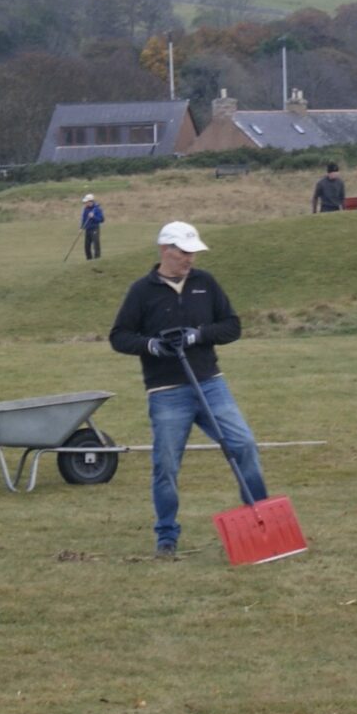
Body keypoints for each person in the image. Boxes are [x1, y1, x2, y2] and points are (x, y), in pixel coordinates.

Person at [107, 221, 270, 559]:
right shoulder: (142, 291)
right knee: (166, 464)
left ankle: (262, 520)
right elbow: (120, 336)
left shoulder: (205, 283)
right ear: (165, 250)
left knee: (244, 445)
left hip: (210, 384)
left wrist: (198, 335)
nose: (190, 259)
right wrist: (152, 345)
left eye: (193, 252)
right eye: (184, 252)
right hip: (166, 391)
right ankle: (166, 536)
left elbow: (232, 326)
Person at [80, 194, 105, 261]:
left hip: (95, 229)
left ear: (90, 201)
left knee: (96, 245)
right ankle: (89, 260)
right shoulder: (85, 209)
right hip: (87, 229)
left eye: (86, 202)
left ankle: (97, 259)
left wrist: (93, 216)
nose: (85, 203)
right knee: (86, 246)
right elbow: (84, 219)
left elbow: (102, 220)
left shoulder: (97, 209)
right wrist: (81, 227)